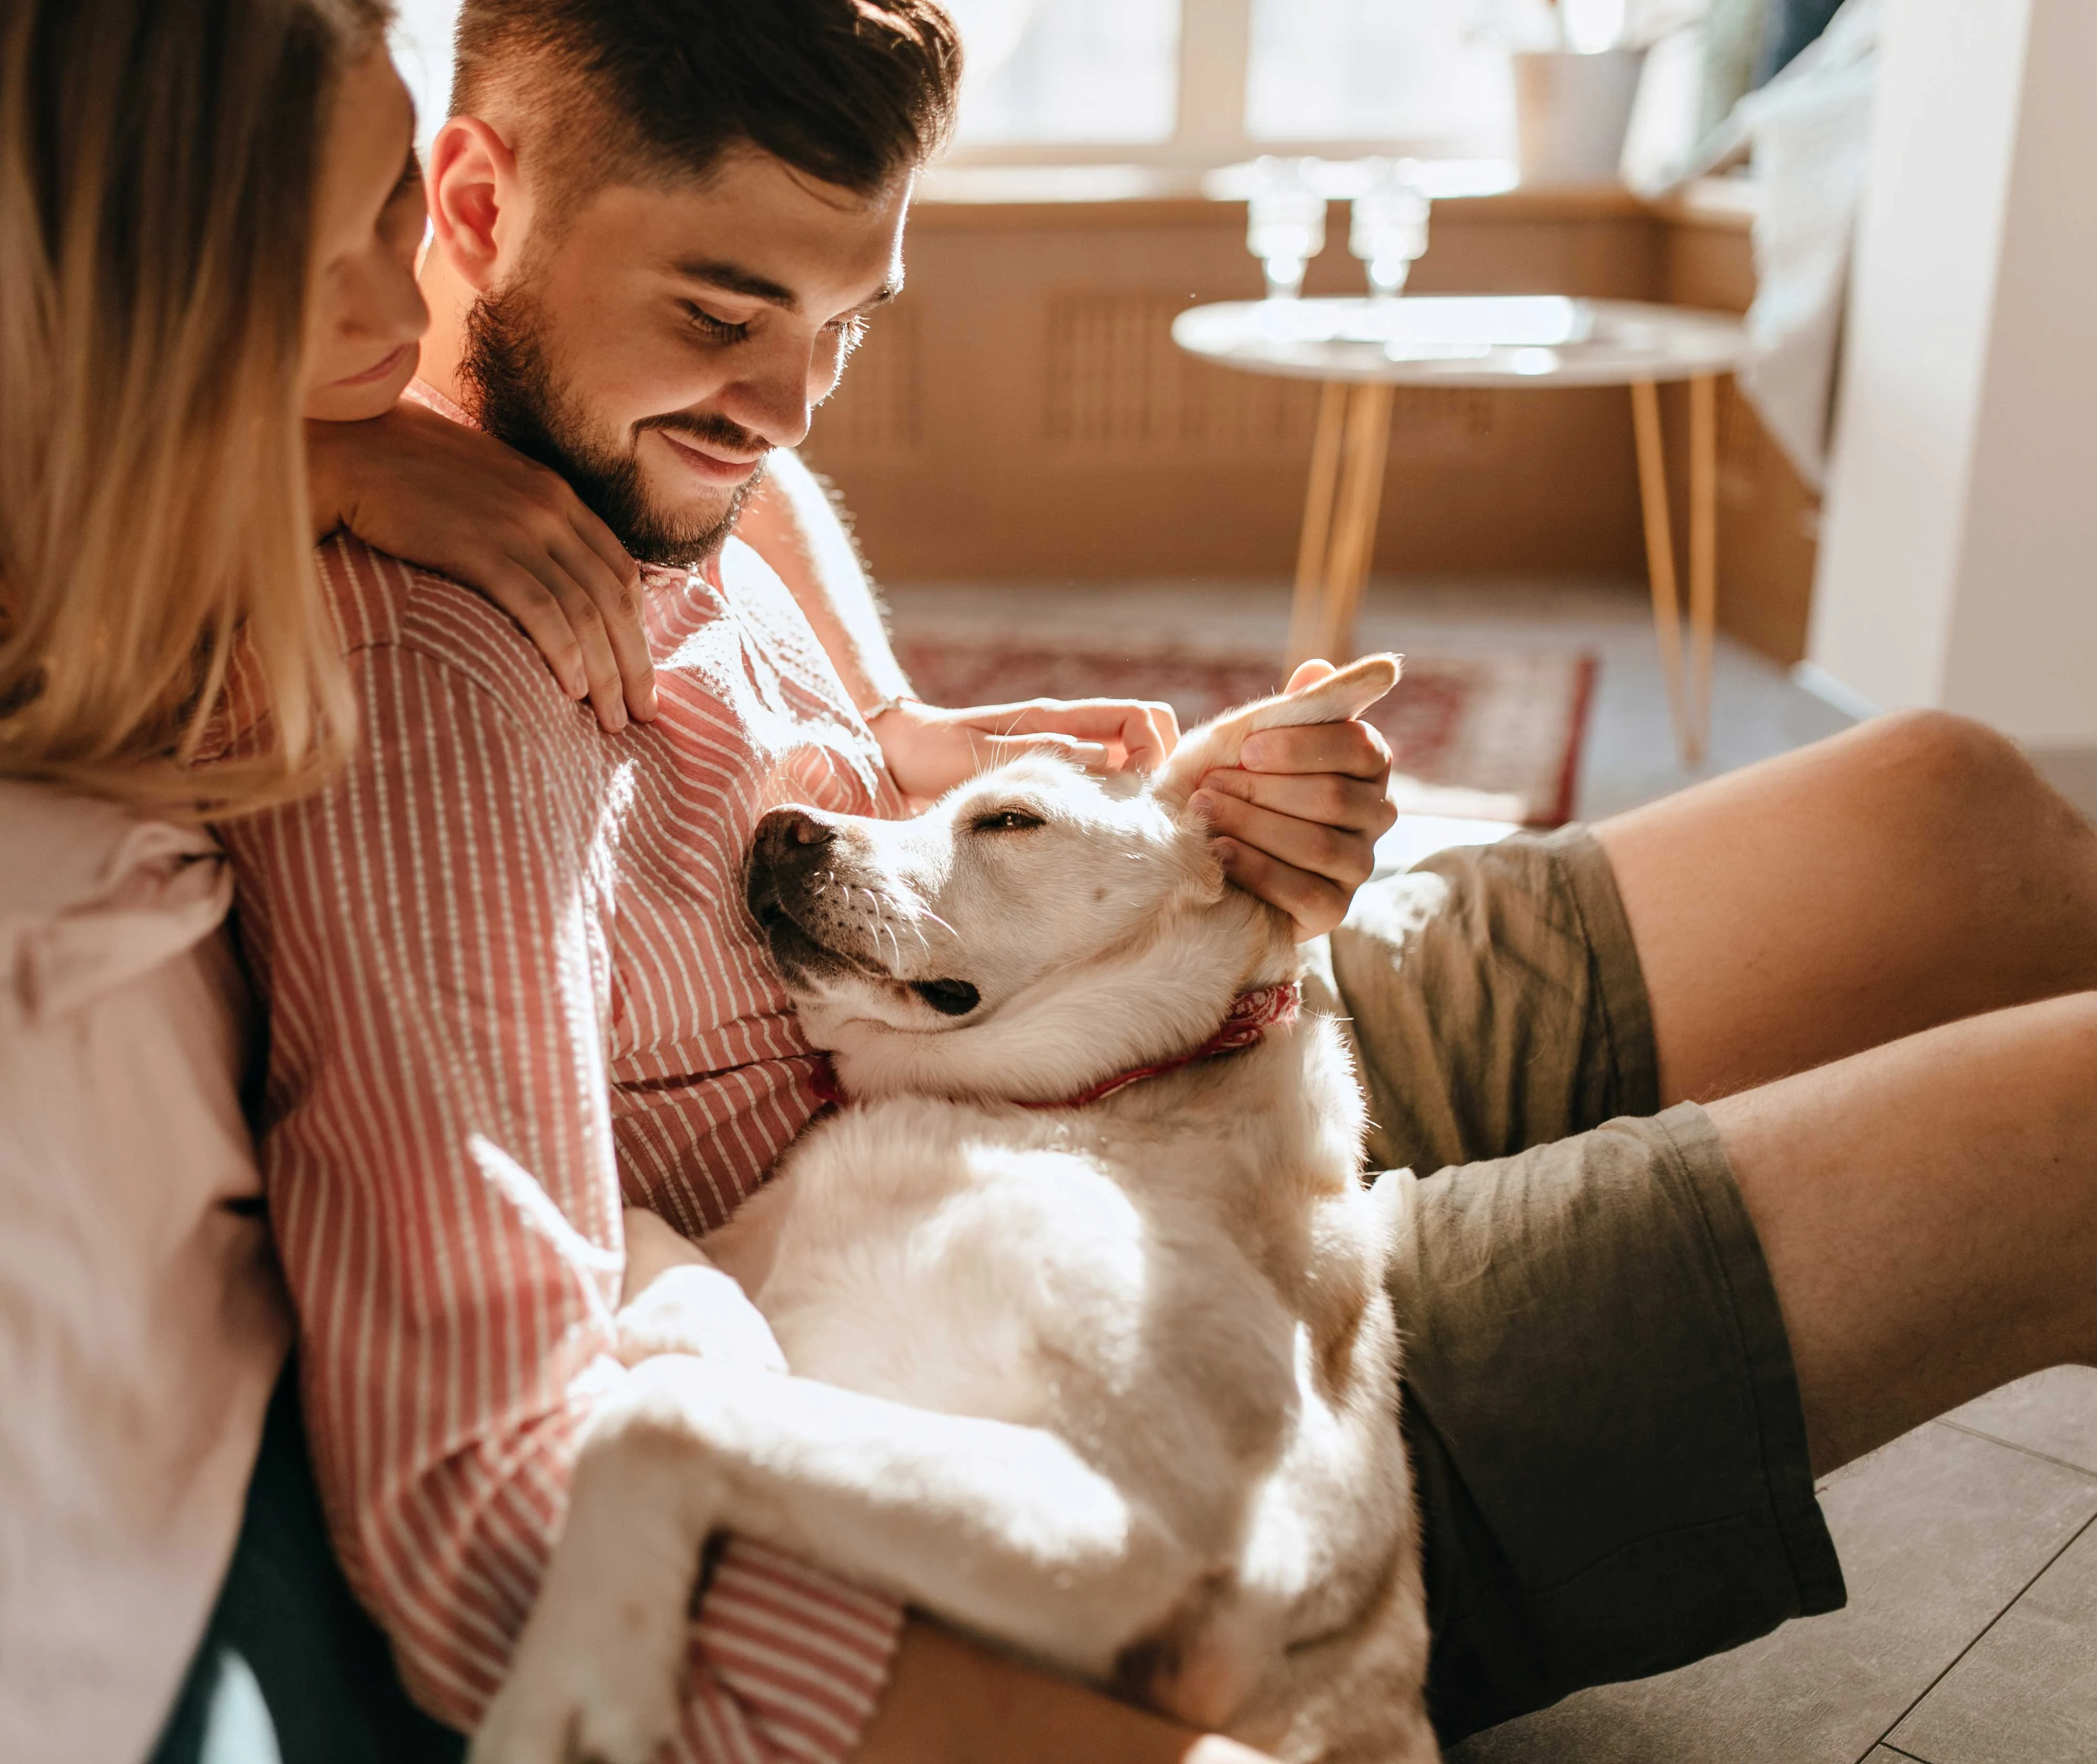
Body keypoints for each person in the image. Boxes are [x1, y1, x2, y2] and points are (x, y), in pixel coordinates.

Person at [219, 2, 2097, 1762]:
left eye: (847, 328)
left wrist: (908, 730)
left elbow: (756, 474)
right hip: (1133, 1380)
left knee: (1955, 804)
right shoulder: (426, 693)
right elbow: (477, 1502)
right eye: (727, 317)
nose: (791, 406)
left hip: (1131, 1032)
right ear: (475, 203)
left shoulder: (603, 451)